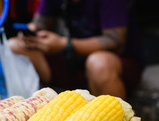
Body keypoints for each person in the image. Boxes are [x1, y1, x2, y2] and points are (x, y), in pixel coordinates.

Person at [8, 0, 144, 99]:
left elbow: (115, 41)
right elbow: (41, 23)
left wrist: (64, 44)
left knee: (98, 63)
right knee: (14, 46)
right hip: (72, 63)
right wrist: (31, 32)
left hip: (112, 67)